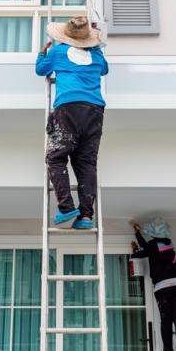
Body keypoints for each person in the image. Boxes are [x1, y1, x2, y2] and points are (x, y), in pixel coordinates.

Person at [36, 16, 109, 229]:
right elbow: (104, 69)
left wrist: (42, 53)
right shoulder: (96, 55)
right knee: (86, 163)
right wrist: (96, 48)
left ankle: (66, 207)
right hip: (95, 111)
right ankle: (85, 216)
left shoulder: (58, 51)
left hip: (68, 107)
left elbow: (41, 70)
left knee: (56, 157)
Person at [130, 217, 176, 351]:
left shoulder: (152, 245)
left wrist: (135, 245)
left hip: (163, 285)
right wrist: (138, 234)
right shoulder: (168, 243)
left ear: (152, 233)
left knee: (166, 319)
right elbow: (149, 249)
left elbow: (140, 252)